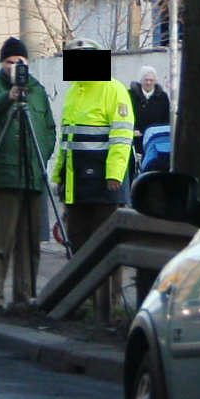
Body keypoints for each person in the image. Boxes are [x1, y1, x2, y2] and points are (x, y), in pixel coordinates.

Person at [0, 37, 56, 315]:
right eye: (10, 62)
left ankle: (25, 297)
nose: (15, 67)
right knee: (0, 241)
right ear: (2, 64)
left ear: (27, 63)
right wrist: (8, 95)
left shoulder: (37, 90)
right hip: (5, 175)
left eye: (19, 62)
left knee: (30, 242)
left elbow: (48, 129)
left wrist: (41, 157)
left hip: (32, 174)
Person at [52, 38, 134, 253]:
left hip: (104, 186)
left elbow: (122, 136)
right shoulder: (74, 91)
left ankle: (109, 289)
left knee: (104, 248)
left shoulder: (113, 90)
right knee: (78, 246)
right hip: (77, 184)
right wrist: (59, 174)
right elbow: (67, 140)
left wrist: (115, 174)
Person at [129, 65, 170, 155]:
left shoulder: (163, 97)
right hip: (136, 140)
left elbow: (167, 120)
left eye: (151, 80)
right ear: (141, 81)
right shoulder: (130, 95)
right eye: (146, 80)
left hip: (156, 141)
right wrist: (133, 129)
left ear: (155, 81)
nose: (148, 83)